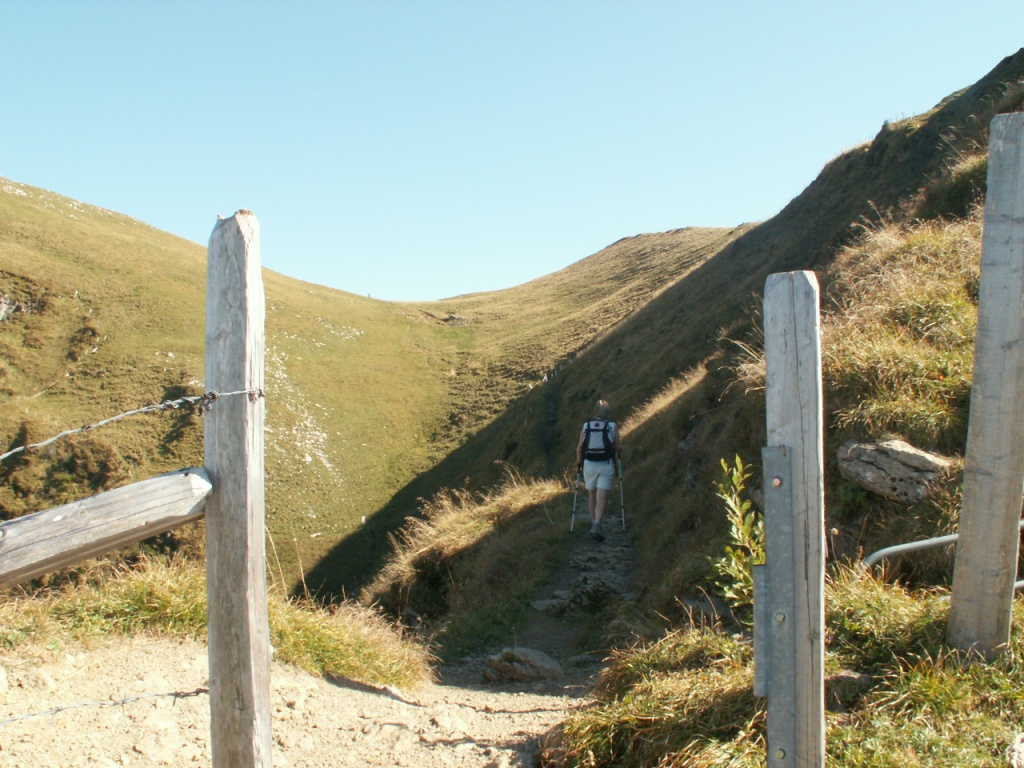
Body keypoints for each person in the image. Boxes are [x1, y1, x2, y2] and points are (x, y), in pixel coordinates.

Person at [575, 399, 621, 542]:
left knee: (591, 494)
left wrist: (579, 462)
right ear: (608, 413)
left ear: (595, 411)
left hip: (589, 464)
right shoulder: (613, 426)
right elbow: (618, 448)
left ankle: (593, 523)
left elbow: (580, 448)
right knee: (602, 495)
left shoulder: (586, 425)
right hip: (606, 464)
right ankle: (597, 526)